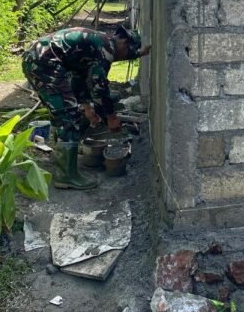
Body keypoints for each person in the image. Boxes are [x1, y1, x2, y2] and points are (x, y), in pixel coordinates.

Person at [22, 25, 151, 190]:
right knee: (69, 118)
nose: (121, 59)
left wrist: (86, 106)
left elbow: (79, 78)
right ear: (124, 43)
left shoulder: (97, 43)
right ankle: (66, 175)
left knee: (63, 112)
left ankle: (63, 161)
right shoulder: (107, 48)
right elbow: (99, 87)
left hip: (38, 60)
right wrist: (111, 117)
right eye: (126, 55)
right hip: (45, 64)